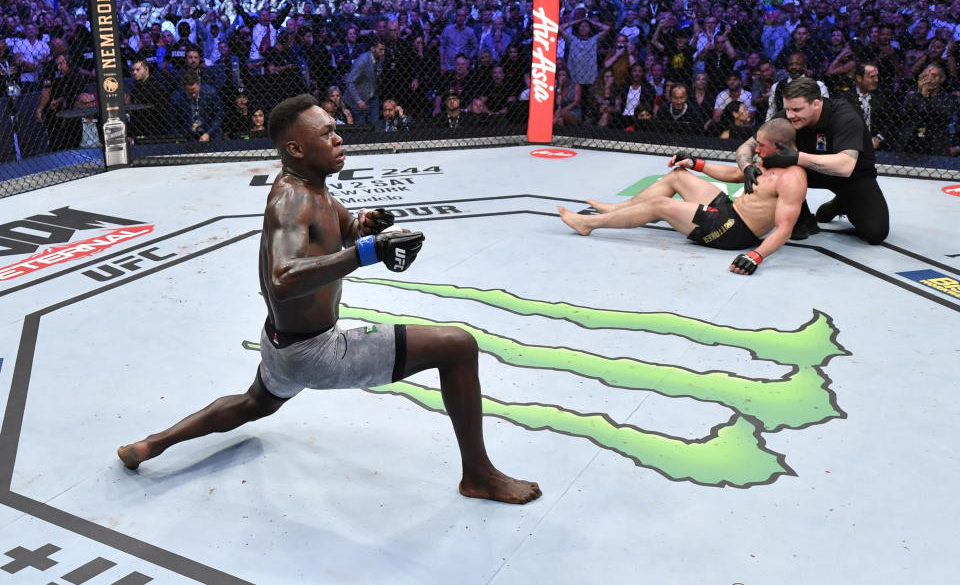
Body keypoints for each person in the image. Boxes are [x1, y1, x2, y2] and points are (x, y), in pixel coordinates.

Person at [117, 94, 541, 505]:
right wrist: (365, 253)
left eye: (336, 129)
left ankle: (151, 445)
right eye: (327, 133)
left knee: (254, 403)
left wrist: (366, 226)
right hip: (316, 352)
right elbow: (282, 278)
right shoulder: (292, 200)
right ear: (296, 148)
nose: (338, 138)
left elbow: (344, 228)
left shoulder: (312, 187)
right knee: (458, 347)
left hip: (280, 345)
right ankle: (479, 476)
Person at [558, 118, 806, 275]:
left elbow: (784, 228)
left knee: (660, 205)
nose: (757, 150)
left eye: (762, 146)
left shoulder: (792, 178)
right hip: (730, 209)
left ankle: (587, 224)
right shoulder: (769, 158)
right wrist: (696, 163)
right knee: (679, 174)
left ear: (782, 146)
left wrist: (755, 256)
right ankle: (617, 209)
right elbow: (733, 174)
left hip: (734, 231)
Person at [739, 78, 889, 244]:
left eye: (796, 109)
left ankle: (842, 203)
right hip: (807, 174)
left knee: (876, 233)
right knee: (771, 159)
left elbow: (846, 166)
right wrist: (746, 167)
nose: (790, 115)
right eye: (787, 109)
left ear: (816, 104)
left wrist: (797, 157)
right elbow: (747, 147)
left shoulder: (844, 116)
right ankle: (802, 218)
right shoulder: (785, 118)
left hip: (851, 177)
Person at [169, 70, 224, 142]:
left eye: (195, 91)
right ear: (184, 88)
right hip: (188, 133)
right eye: (190, 92)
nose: (193, 95)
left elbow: (219, 115)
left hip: (210, 130)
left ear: (199, 84)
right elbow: (173, 122)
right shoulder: (176, 97)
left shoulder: (211, 93)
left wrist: (208, 133)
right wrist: (180, 137)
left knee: (217, 133)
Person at [344, 39, 385, 127]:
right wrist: (359, 101)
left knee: (375, 125)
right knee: (361, 127)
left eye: (384, 49)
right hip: (358, 98)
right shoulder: (362, 61)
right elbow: (349, 81)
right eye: (380, 49)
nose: (383, 52)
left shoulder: (380, 58)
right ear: (372, 48)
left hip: (372, 96)